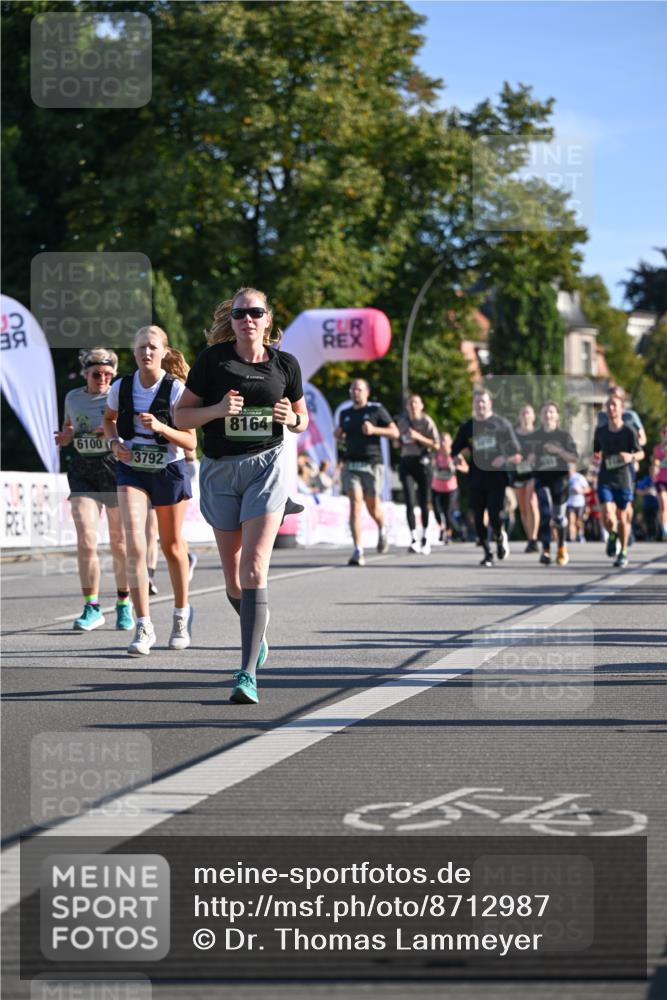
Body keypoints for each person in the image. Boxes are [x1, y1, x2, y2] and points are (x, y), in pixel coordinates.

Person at [174, 287, 308, 705]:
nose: (248, 319)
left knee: (253, 569)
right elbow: (181, 416)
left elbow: (302, 419)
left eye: (255, 312)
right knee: (233, 579)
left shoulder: (285, 364)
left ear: (268, 319)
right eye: (239, 313)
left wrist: (292, 418)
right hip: (220, 469)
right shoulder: (213, 361)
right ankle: (256, 628)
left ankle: (247, 673)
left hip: (266, 467)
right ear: (230, 320)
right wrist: (216, 411)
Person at [103, 327, 197, 655]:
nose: (147, 352)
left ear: (164, 352)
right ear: (134, 351)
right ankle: (143, 625)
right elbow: (109, 419)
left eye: (153, 347)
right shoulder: (121, 387)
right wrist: (114, 444)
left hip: (168, 470)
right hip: (132, 469)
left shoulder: (175, 389)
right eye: (141, 347)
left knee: (172, 546)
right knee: (135, 545)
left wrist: (161, 427)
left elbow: (190, 441)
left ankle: (181, 615)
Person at [55, 348, 133, 632]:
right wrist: (66, 436)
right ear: (86, 374)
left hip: (114, 468)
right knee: (86, 539)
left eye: (108, 375)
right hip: (83, 469)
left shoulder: (119, 396)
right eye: (97, 374)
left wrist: (112, 431)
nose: (103, 379)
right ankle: (92, 607)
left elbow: (134, 430)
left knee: (119, 542)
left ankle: (124, 602)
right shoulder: (73, 397)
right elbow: (68, 426)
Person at [451, 389, 522, 567]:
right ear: (473, 404)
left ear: (490, 403)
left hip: (496, 477)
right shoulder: (468, 427)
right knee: (477, 516)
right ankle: (487, 553)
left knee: (494, 515)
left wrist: (503, 459)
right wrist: (457, 457)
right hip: (476, 476)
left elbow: (516, 452)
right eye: (477, 402)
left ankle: (499, 536)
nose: (480, 405)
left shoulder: (501, 424)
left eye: (483, 401)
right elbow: (454, 449)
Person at [335, 378, 399, 566]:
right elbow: (343, 435)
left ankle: (382, 528)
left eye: (359, 389)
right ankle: (358, 550)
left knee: (373, 508)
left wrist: (374, 430)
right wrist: (339, 434)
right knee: (355, 504)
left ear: (367, 392)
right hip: (351, 464)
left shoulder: (376, 410)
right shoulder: (345, 413)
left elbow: (394, 432)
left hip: (372, 464)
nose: (355, 392)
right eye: (353, 389)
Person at [592, 392, 645, 568]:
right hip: (605, 477)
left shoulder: (629, 431)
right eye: (609, 405)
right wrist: (595, 457)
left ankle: (623, 551)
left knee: (622, 516)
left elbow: (641, 453)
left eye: (614, 405)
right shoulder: (600, 431)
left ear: (622, 409)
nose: (611, 408)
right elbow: (596, 451)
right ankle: (612, 535)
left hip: (623, 478)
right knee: (607, 514)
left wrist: (630, 457)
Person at [527, 402, 578, 566]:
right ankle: (546, 550)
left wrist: (559, 451)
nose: (548, 415)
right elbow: (527, 457)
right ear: (541, 416)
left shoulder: (564, 436)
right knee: (544, 512)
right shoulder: (535, 436)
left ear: (557, 416)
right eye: (545, 412)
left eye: (551, 412)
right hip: (541, 479)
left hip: (560, 480)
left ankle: (561, 547)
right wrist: (530, 459)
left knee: (558, 518)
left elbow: (574, 458)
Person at [395, 394, 439, 554]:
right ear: (407, 407)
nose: (413, 406)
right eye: (410, 403)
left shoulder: (426, 421)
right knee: (409, 500)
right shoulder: (402, 422)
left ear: (421, 406)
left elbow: (436, 444)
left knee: (424, 501)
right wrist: (398, 441)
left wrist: (418, 437)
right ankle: (413, 538)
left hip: (422, 463)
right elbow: (397, 441)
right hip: (406, 461)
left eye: (416, 403)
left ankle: (425, 537)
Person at [512, 404, 540, 552]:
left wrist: (536, 457)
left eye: (528, 413)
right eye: (523, 413)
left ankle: (534, 538)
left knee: (532, 502)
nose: (525, 416)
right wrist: (513, 458)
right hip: (519, 472)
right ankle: (530, 539)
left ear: (533, 417)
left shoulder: (538, 434)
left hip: (534, 473)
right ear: (519, 416)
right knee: (523, 508)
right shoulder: (513, 434)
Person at [431, 432, 467, 544]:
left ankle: (448, 533)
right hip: (437, 487)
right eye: (441, 440)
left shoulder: (455, 454)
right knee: (436, 510)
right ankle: (442, 528)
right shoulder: (435, 453)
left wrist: (457, 467)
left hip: (451, 488)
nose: (443, 443)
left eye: (445, 441)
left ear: (450, 442)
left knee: (448, 511)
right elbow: (430, 466)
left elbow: (466, 469)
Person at [651, 423, 667, 540]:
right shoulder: (657, 448)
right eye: (664, 432)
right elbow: (655, 462)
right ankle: (665, 529)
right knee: (663, 504)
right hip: (661, 480)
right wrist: (655, 466)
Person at [566, 463, 589, 542]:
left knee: (578, 522)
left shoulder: (579, 477)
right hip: (569, 503)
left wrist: (580, 491)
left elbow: (588, 489)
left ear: (574, 469)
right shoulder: (565, 478)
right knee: (570, 521)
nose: (568, 470)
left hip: (579, 503)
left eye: (570, 468)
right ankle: (572, 537)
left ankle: (580, 534)